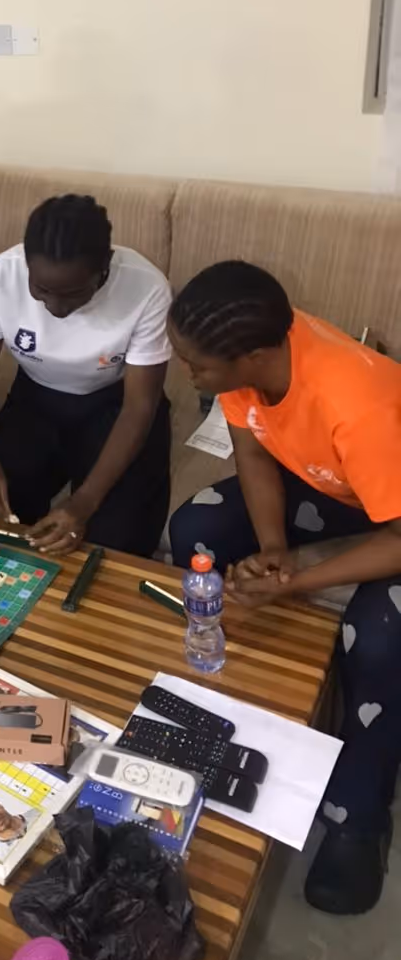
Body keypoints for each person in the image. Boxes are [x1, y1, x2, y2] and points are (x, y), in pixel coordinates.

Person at [167, 260, 401, 916]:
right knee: (198, 529)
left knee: (381, 634)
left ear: (255, 354)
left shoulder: (359, 404)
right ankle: (259, 701)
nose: (189, 374)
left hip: (395, 498)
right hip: (338, 483)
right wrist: (274, 552)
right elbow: (253, 454)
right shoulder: (254, 364)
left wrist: (299, 578)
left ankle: (359, 813)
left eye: (198, 365)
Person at [0, 195, 172, 556]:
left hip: (116, 405)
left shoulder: (146, 288)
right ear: (26, 264)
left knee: (112, 546)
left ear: (104, 266)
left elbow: (139, 406)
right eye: (42, 290)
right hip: (35, 401)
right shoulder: (0, 276)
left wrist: (83, 504)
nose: (57, 309)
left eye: (74, 294)